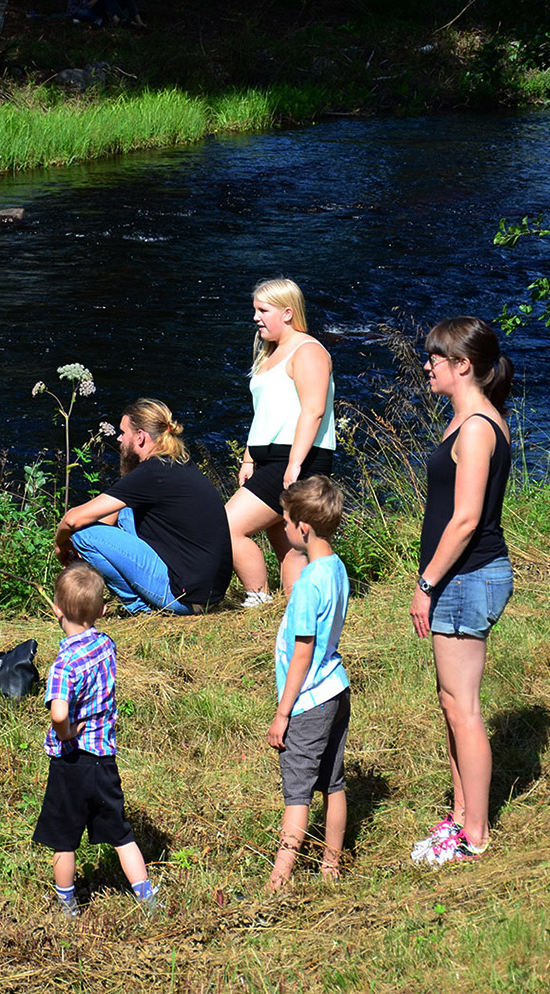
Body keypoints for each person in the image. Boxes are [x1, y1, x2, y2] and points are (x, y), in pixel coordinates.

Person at [408, 316, 515, 867]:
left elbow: (467, 518)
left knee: (464, 709)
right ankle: (459, 814)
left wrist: (426, 583)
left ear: (463, 365)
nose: (427, 365)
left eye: (435, 357)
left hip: (467, 577)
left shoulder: (475, 427)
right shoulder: (466, 419)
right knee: (451, 703)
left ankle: (474, 834)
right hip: (461, 578)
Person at [33, 563, 157, 915]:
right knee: (121, 833)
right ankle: (146, 896)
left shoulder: (63, 665)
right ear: (103, 611)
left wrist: (66, 731)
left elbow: (59, 712)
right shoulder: (106, 645)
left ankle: (67, 903)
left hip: (71, 762)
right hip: (103, 759)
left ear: (56, 609)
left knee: (64, 838)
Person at [55, 398, 233, 614]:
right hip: (206, 591)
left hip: (184, 596)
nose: (119, 439)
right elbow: (112, 512)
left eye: (123, 432)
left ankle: (139, 609)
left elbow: (73, 520)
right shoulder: (178, 463)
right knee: (125, 511)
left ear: (140, 436)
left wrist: (61, 544)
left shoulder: (151, 473)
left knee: (83, 534)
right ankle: (146, 600)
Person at [225, 278, 337, 605]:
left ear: (287, 313)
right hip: (271, 459)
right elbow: (264, 414)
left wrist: (295, 464)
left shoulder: (309, 350)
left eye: (263, 310)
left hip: (297, 458)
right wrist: (248, 458)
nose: (256, 317)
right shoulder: (270, 353)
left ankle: (258, 598)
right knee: (287, 540)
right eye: (255, 310)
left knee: (228, 525)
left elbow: (314, 410)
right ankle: (299, 605)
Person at [263, 477, 350, 889]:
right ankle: (331, 865)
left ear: (303, 528)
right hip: (335, 687)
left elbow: (302, 651)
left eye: (284, 520)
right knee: (333, 783)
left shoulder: (307, 584)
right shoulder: (336, 568)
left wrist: (283, 714)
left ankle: (279, 879)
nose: (281, 527)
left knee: (296, 792)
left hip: (307, 701)